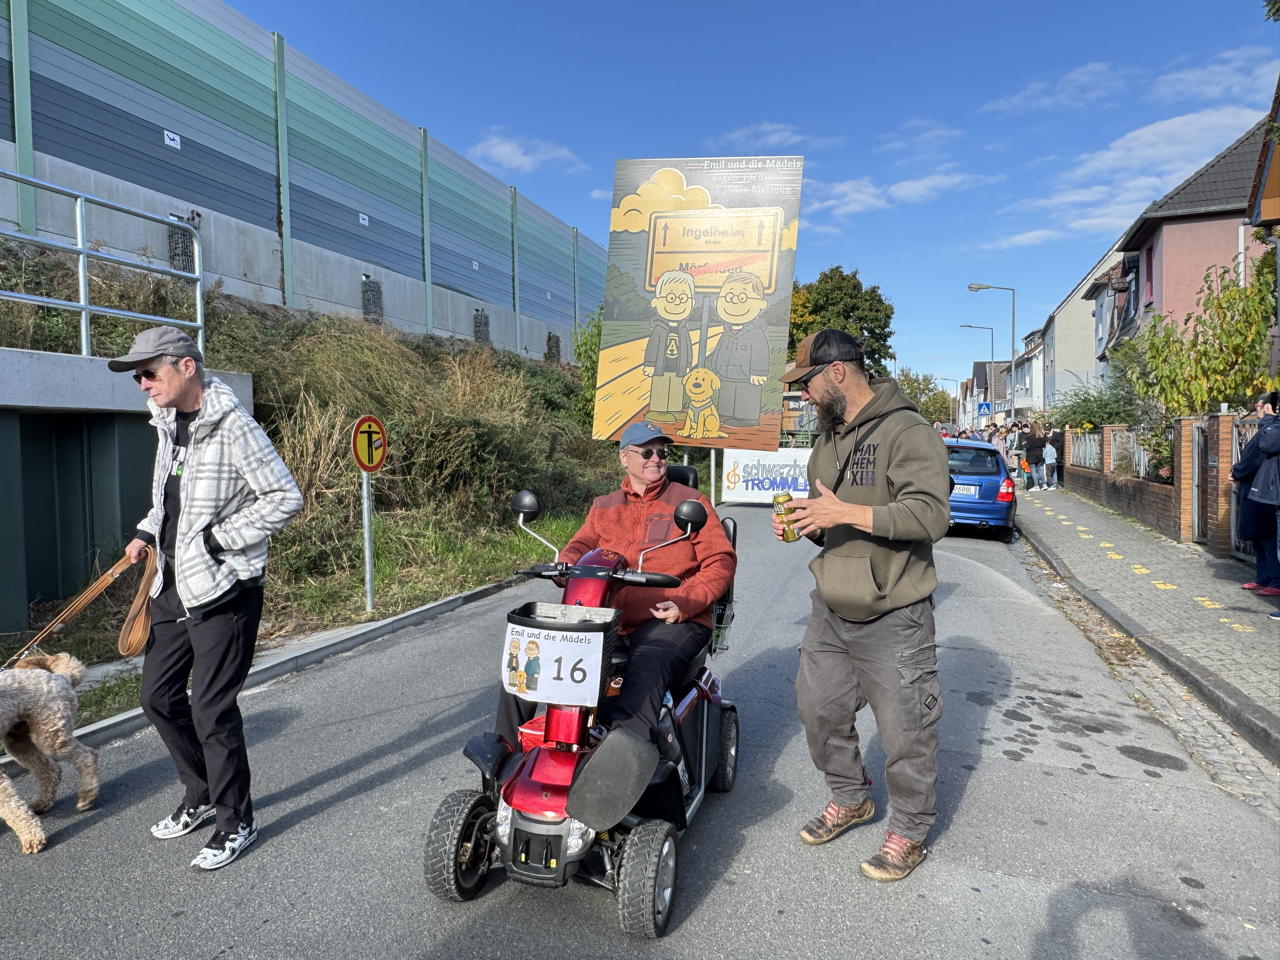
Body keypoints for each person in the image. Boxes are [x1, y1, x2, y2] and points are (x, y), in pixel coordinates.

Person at [111, 326, 302, 871]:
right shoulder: (169, 427)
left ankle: (236, 818)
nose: (142, 384)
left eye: (149, 373)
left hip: (224, 588)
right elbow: (169, 501)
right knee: (157, 698)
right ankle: (199, 794)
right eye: (138, 376)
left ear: (186, 367)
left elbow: (284, 497)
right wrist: (148, 533)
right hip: (172, 585)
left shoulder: (234, 426)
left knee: (212, 708)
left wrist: (218, 540)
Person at [492, 421, 736, 819]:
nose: (657, 459)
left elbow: (720, 561)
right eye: (647, 452)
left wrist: (686, 602)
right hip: (607, 618)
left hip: (671, 619)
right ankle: (503, 766)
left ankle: (615, 783)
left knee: (646, 668)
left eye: (662, 452)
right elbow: (581, 544)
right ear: (625, 457)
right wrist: (565, 564)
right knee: (529, 661)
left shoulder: (690, 503)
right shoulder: (604, 505)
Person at [775, 329, 950, 882]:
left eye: (805, 383)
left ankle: (909, 833)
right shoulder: (826, 441)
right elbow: (831, 526)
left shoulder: (908, 431)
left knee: (905, 733)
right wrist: (805, 523)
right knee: (818, 710)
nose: (802, 396)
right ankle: (851, 798)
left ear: (837, 373)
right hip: (830, 607)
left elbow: (929, 517)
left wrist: (842, 513)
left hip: (895, 613)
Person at [1232, 394, 1280, 597]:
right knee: (1258, 536)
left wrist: (1237, 472)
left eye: (1260, 406)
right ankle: (1263, 577)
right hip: (1254, 489)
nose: (1257, 409)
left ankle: (1275, 579)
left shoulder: (1270, 429)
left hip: (1265, 491)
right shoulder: (1266, 428)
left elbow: (1259, 454)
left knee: (1267, 537)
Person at [642, 270, 696, 422]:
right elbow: (652, 348)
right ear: (656, 302)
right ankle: (657, 410)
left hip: (677, 367)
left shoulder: (684, 329)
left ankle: (674, 409)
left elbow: (688, 348)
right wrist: (650, 364)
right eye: (671, 297)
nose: (677, 302)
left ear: (692, 303)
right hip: (661, 367)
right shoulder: (659, 329)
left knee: (676, 388)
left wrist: (687, 365)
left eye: (683, 297)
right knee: (661, 386)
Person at [1024, 423, 1048, 491]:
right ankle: (1044, 484)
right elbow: (1044, 445)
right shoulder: (1042, 436)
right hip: (1040, 454)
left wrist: (1024, 444)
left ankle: (1036, 485)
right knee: (1040, 470)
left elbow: (1027, 446)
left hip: (1031, 455)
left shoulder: (1030, 436)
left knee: (1033, 470)